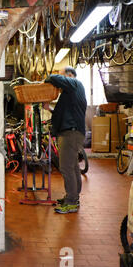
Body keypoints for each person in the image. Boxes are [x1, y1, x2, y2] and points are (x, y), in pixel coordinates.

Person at [43, 66, 87, 214]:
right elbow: (64, 113)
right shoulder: (72, 92)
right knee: (73, 166)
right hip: (73, 131)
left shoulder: (75, 83)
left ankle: (71, 202)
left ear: (69, 75)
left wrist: (48, 78)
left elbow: (55, 79)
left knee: (66, 167)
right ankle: (74, 197)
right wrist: (49, 109)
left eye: (62, 75)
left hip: (70, 133)